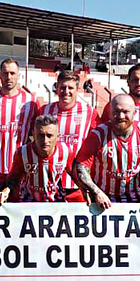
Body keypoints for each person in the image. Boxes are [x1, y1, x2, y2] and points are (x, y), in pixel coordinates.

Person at [73, 94, 140, 209]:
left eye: (126, 112)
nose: (121, 116)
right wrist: (96, 192)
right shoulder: (98, 135)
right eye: (116, 111)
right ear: (110, 113)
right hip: (104, 196)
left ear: (134, 113)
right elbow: (80, 167)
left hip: (135, 196)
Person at [0, 58, 41, 188]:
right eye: (5, 73)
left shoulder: (31, 101)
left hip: (22, 165)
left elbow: (36, 132)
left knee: (20, 205)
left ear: (18, 76)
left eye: (12, 73)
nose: (9, 77)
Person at [38, 71, 97, 202]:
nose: (66, 91)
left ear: (77, 90)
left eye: (70, 88)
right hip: (49, 181)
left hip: (78, 183)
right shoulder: (44, 111)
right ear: (57, 88)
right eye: (62, 87)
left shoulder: (89, 112)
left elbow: (97, 144)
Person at [0, 114, 78, 203]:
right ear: (33, 134)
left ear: (57, 136)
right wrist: (6, 190)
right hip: (29, 202)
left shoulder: (66, 152)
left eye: (49, 136)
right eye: (41, 135)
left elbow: (78, 177)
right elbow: (13, 179)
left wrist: (91, 191)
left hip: (56, 202)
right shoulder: (23, 153)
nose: (45, 141)